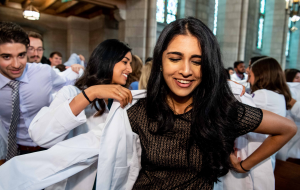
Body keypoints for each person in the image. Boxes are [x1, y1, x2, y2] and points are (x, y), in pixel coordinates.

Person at [0, 17, 297, 190]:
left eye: (197, 60)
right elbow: (72, 145)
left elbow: (285, 128)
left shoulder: (222, 110)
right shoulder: (137, 111)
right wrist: (89, 94)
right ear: (161, 61)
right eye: (175, 57)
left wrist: (244, 163)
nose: (185, 70)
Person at [0, 22, 79, 164]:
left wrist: (76, 70)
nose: (16, 64)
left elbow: (66, 84)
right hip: (13, 152)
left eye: (21, 55)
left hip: (48, 149)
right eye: (6, 57)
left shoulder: (43, 72)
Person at [248, 57, 292, 169]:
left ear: (260, 75)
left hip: (255, 152)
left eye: (250, 76)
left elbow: (238, 111)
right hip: (265, 155)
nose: (249, 81)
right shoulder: (278, 94)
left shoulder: (263, 95)